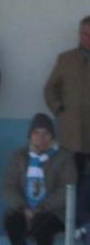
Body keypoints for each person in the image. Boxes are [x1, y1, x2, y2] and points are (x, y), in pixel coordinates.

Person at [0, 114, 73, 245]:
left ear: (52, 136)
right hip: (24, 209)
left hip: (54, 213)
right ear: (30, 135)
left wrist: (41, 208)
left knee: (43, 224)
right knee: (12, 221)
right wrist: (23, 208)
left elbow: (67, 189)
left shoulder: (64, 157)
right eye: (36, 133)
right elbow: (8, 186)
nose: (41, 138)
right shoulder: (20, 156)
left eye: (46, 133)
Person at [41, 14, 90, 182]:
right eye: (84, 33)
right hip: (72, 134)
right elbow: (49, 89)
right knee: (71, 182)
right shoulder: (66, 59)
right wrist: (60, 110)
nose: (87, 38)